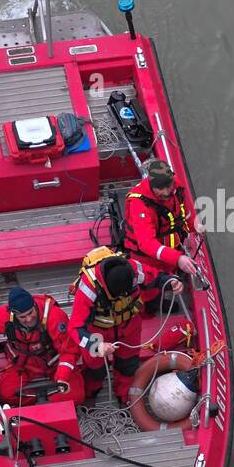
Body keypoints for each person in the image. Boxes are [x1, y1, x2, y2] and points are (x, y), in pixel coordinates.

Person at [0, 287, 83, 405]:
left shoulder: (55, 316)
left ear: (34, 306)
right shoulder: (6, 315)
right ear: (14, 314)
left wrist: (62, 378)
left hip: (55, 365)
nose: (28, 319)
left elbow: (70, 351)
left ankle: (48, 405)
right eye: (23, 317)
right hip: (23, 367)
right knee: (6, 393)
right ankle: (43, 403)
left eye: (30, 313)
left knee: (76, 395)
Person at [124, 159, 205, 311]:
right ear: (151, 185)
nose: (166, 192)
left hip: (171, 246)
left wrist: (195, 225)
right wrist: (177, 258)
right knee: (150, 284)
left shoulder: (177, 187)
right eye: (161, 189)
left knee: (172, 270)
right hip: (147, 256)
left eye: (169, 186)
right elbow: (146, 243)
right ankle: (152, 305)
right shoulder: (139, 204)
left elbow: (185, 213)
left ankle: (174, 278)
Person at [68, 248, 147, 400]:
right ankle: (91, 395)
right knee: (94, 370)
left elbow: (154, 277)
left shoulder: (134, 269)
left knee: (128, 365)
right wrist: (96, 345)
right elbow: (75, 327)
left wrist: (171, 282)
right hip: (97, 331)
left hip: (129, 327)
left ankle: (125, 398)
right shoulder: (88, 287)